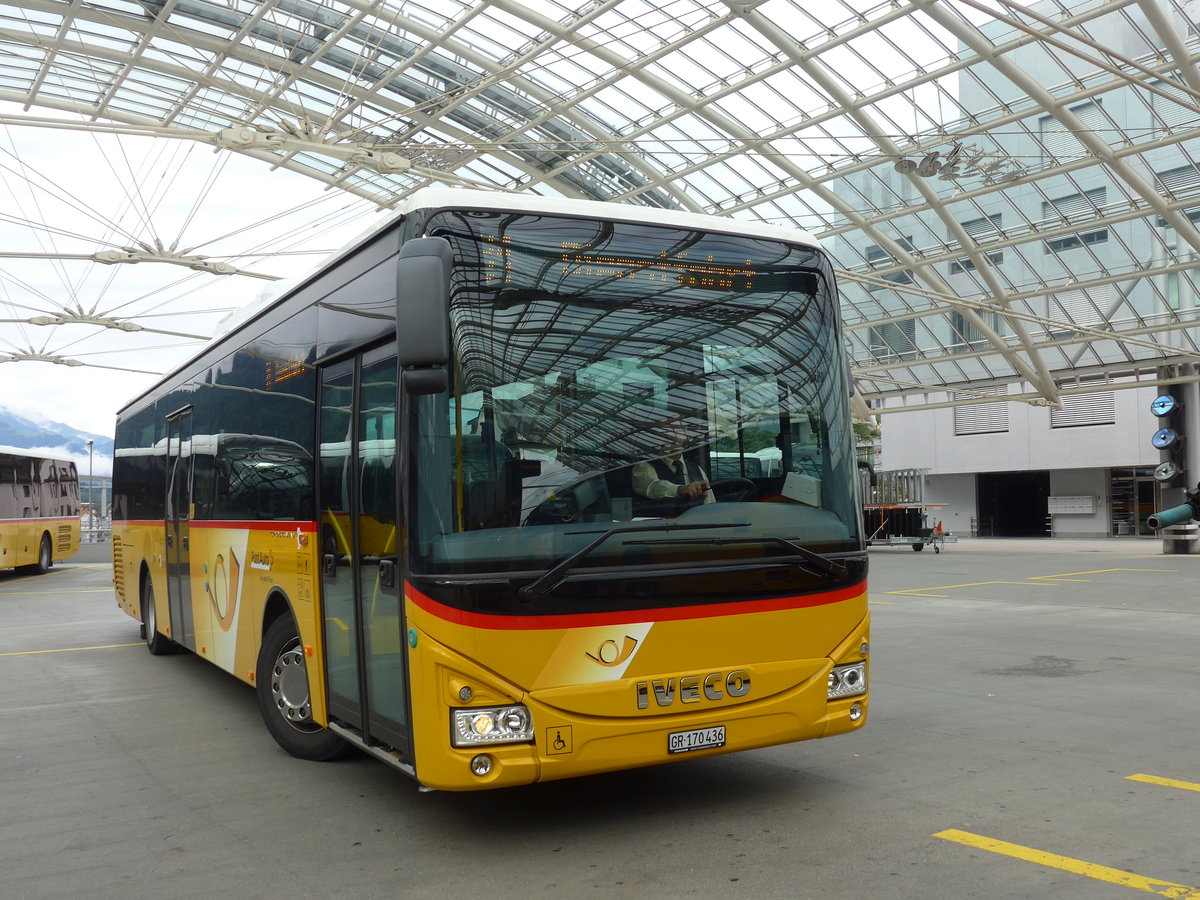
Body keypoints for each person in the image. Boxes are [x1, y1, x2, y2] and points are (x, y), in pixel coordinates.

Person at [631, 416, 715, 516]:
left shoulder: (696, 469)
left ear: (685, 436)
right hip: (661, 528)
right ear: (657, 438)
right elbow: (652, 486)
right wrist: (680, 490)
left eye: (677, 430)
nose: (672, 435)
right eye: (666, 431)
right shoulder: (644, 466)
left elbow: (710, 505)